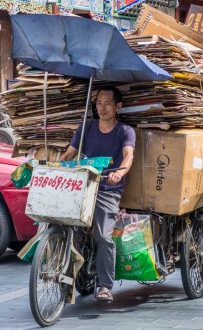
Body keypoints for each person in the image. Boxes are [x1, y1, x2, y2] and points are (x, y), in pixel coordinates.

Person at [58, 86, 135, 304]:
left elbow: (128, 155)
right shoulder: (86, 127)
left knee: (103, 236)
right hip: (82, 185)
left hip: (107, 189)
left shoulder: (125, 131)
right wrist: (58, 166)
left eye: (108, 103)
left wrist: (120, 172)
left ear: (118, 106)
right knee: (64, 226)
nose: (102, 107)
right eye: (99, 103)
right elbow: (70, 153)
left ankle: (104, 285)